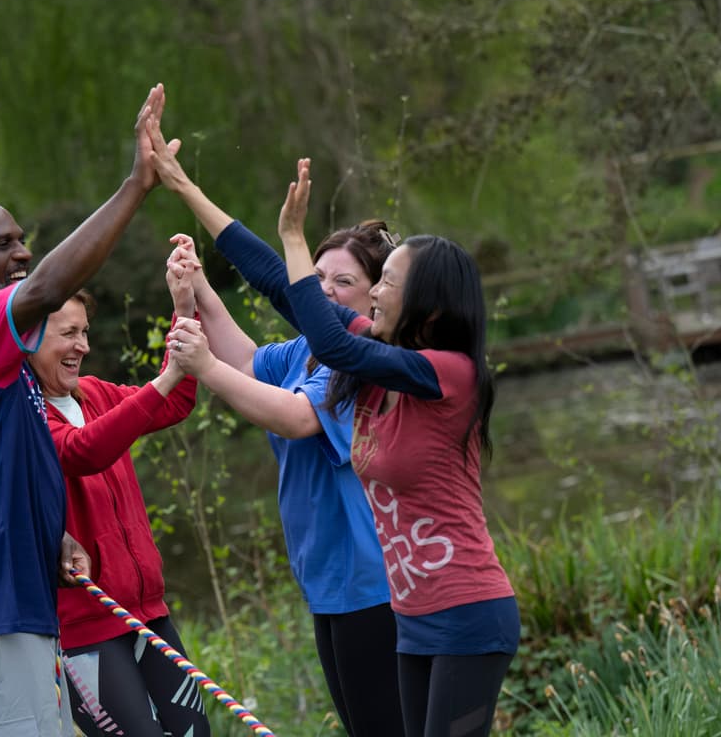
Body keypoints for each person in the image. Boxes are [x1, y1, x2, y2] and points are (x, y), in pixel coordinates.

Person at [178, 157, 518, 737]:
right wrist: (184, 186)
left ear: (430, 305)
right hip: (413, 617)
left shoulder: (451, 373)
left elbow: (333, 347)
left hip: (467, 610)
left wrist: (293, 240)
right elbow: (285, 293)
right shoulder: (378, 363)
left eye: (387, 282)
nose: (375, 291)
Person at [0, 84, 181, 737]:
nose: (23, 253)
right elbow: (50, 287)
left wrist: (48, 533)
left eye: (22, 240)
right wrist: (136, 187)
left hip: (9, 601)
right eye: (3, 244)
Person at [148, 144, 404, 732]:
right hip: (327, 582)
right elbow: (244, 361)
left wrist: (203, 367)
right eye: (318, 277)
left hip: (372, 583)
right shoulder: (303, 352)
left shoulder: (363, 363)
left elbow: (295, 418)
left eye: (344, 281)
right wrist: (199, 285)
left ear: (375, 295)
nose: (325, 290)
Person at [27, 278, 210, 737]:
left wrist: (184, 306)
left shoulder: (95, 394)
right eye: (69, 333)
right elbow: (84, 450)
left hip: (147, 612)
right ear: (29, 339)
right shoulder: (22, 416)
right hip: (83, 627)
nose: (83, 346)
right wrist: (166, 377)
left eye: (85, 332)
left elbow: (175, 402)